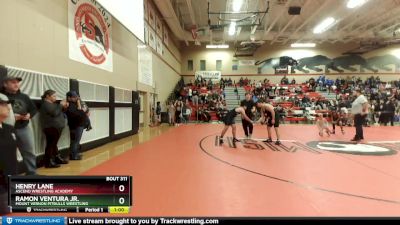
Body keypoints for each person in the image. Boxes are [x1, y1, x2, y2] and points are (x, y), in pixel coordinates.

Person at [1, 75, 38, 175]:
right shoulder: (2, 97)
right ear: (5, 84)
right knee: (8, 152)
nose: (16, 84)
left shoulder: (24, 96)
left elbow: (33, 109)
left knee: (29, 151)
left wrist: (29, 115)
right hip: (6, 129)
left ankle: (31, 173)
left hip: (24, 127)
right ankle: (11, 175)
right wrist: (11, 117)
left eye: (17, 82)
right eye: (13, 82)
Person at [40, 90, 69, 168]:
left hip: (56, 127)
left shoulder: (53, 104)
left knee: (53, 144)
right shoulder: (45, 104)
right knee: (50, 145)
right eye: (54, 96)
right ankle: (48, 162)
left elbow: (59, 112)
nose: (55, 97)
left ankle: (56, 158)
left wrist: (64, 107)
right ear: (47, 96)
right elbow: (54, 113)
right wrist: (60, 105)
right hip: (51, 127)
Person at [0, 99, 18, 214]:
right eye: (3, 105)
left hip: (10, 176)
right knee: (5, 211)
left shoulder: (9, 128)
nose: (8, 107)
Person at [65, 91, 87, 160]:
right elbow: (80, 114)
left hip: (77, 125)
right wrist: (80, 109)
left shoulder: (74, 104)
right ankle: (74, 156)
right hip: (76, 125)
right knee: (75, 141)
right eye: (74, 97)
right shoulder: (70, 105)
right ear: (69, 98)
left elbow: (81, 113)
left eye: (76, 97)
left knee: (75, 141)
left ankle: (74, 154)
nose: (76, 98)